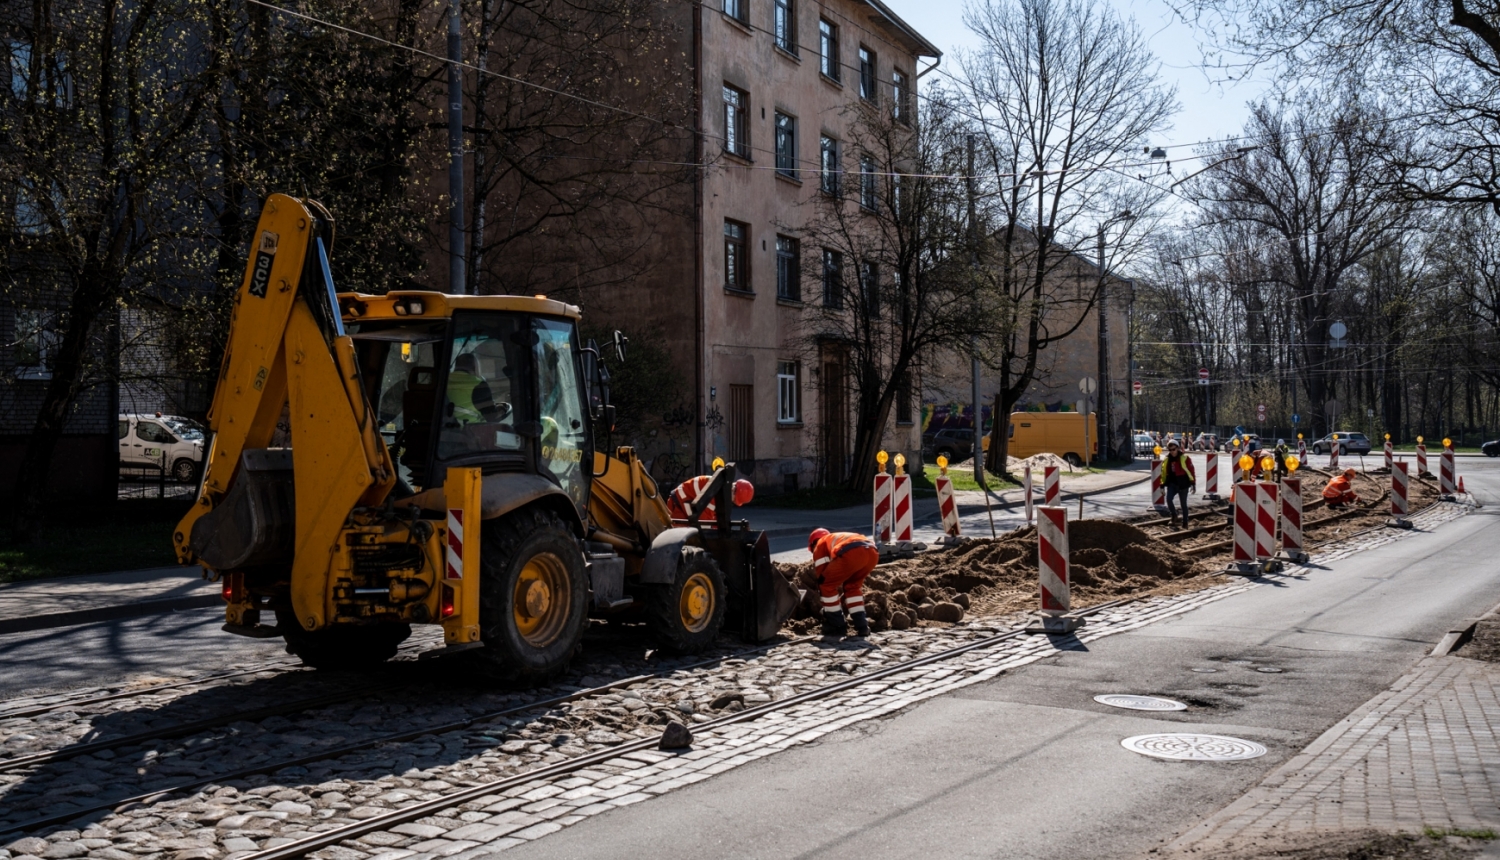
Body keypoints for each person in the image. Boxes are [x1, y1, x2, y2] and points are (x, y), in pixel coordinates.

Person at [807, 528, 879, 638]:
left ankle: (837, 625)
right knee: (852, 587)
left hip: (852, 553)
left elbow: (823, 577)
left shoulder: (820, 544)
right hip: (872, 553)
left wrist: (829, 609)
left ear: (813, 544)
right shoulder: (837, 537)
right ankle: (862, 626)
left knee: (826, 585)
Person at [667, 476, 754, 522]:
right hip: (678, 506)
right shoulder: (714, 495)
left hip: (680, 501)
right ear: (733, 491)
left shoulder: (718, 485)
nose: (732, 502)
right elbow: (705, 524)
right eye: (734, 500)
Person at [446, 353, 501, 425]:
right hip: (470, 432)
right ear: (475, 368)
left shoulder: (445, 379)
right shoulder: (479, 385)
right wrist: (501, 411)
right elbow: (492, 418)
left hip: (444, 429)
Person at [1158, 439, 1197, 528]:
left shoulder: (1185, 458)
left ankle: (1185, 523)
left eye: (1174, 449)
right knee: (1168, 499)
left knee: (1183, 504)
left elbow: (1191, 471)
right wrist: (1162, 485)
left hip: (1183, 484)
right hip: (1172, 484)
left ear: (1178, 448)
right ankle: (1174, 515)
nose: (1172, 452)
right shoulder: (1166, 459)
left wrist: (1193, 484)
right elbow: (1163, 473)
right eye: (1170, 450)